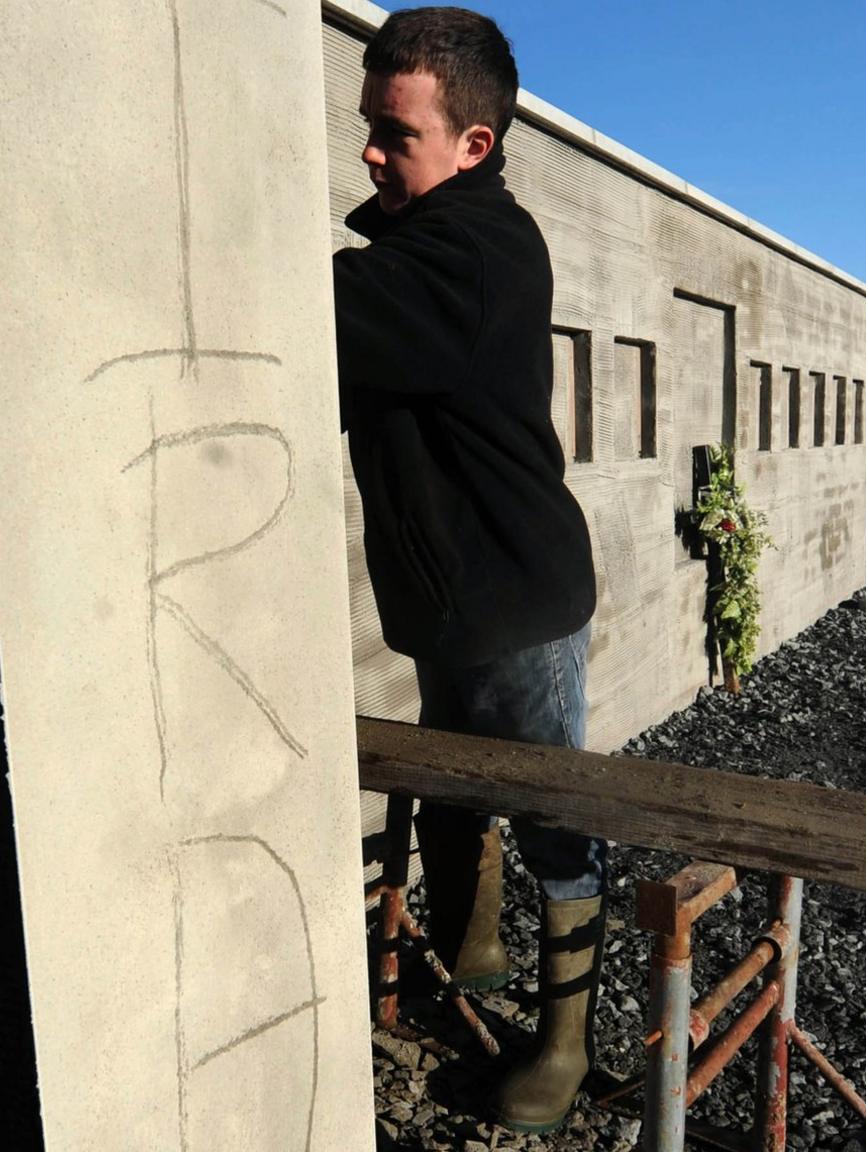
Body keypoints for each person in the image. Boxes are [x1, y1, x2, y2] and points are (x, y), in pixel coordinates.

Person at [331, 6, 604, 1135]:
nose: (368, 151)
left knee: (552, 828)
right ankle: (470, 954)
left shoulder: (477, 252)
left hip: (520, 607)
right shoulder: (414, 252)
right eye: (367, 127)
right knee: (449, 781)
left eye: (393, 134)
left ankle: (566, 1050)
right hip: (448, 604)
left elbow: (323, 319)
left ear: (472, 147)